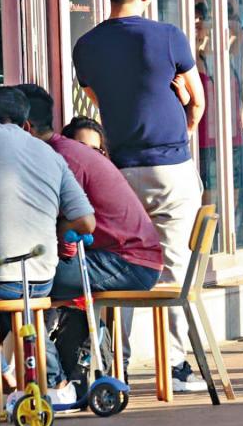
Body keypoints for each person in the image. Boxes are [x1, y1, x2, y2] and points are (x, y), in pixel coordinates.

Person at [72, 0, 209, 392]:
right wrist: (185, 122)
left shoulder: (87, 46)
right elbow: (198, 100)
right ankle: (175, 368)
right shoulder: (168, 36)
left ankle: (116, 367)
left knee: (121, 262)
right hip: (170, 166)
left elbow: (95, 97)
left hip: (118, 171)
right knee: (172, 264)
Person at [16, 84, 163, 395]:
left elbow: (53, 220)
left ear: (24, 127)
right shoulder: (62, 151)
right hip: (123, 256)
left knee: (22, 287)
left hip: (127, 262)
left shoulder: (62, 158)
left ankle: (56, 383)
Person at [0, 87, 96, 405]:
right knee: (24, 310)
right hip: (40, 276)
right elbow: (86, 222)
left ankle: (2, 372)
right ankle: (53, 382)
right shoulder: (51, 155)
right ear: (26, 123)